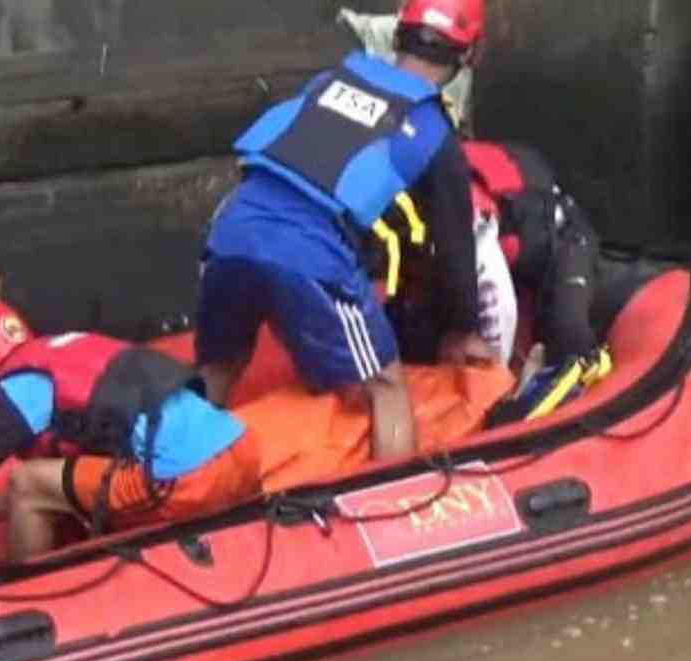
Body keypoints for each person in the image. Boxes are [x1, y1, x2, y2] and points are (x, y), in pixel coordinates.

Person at [197, 0, 490, 464]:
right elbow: (454, 248)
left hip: (232, 229)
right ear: (469, 56)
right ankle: (393, 505)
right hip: (308, 248)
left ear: (398, 35)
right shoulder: (435, 132)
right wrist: (464, 328)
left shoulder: (330, 82)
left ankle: (155, 488)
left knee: (218, 367)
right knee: (386, 387)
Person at [0, 299, 262, 561]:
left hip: (183, 479)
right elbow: (75, 480)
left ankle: (29, 596)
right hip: (240, 451)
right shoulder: (66, 350)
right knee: (57, 484)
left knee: (26, 482)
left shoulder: (19, 386)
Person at [377, 140, 613, 421]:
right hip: (494, 243)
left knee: (568, 334)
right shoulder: (393, 217)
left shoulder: (462, 219)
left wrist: (493, 378)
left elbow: (497, 302)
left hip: (563, 238)